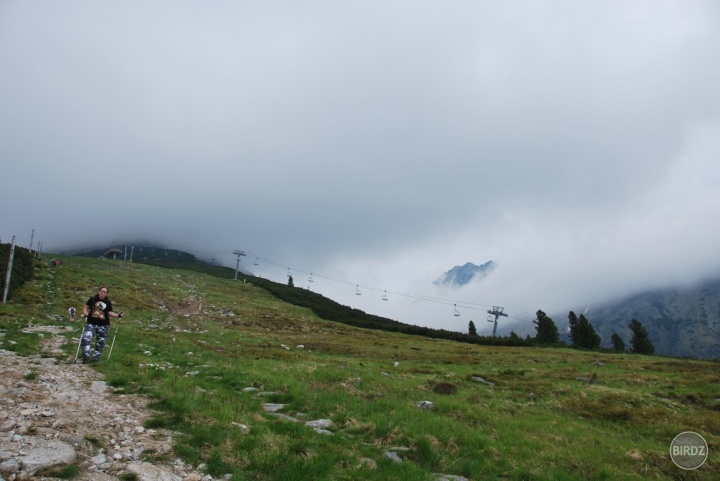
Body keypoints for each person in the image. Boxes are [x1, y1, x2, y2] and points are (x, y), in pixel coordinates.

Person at [80, 286, 124, 364]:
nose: (103, 293)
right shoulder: (92, 299)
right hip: (91, 323)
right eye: (102, 291)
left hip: (104, 325)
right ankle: (86, 357)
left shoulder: (108, 302)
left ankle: (96, 358)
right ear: (99, 291)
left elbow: (109, 312)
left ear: (106, 294)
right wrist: (85, 312)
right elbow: (86, 307)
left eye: (105, 292)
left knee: (100, 342)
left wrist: (118, 315)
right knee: (85, 338)